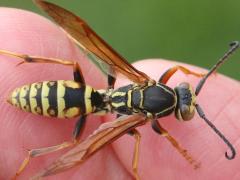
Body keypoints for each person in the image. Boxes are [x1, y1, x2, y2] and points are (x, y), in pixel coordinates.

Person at [0, 8, 239, 180]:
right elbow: (161, 134)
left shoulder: (143, 81)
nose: (189, 98)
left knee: (73, 65)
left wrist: (198, 77)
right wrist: (144, 168)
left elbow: (83, 31)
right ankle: (32, 155)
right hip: (73, 104)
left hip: (73, 94)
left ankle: (21, 58)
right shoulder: (145, 119)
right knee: (76, 144)